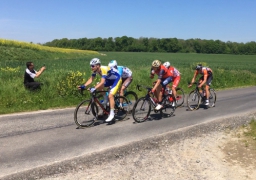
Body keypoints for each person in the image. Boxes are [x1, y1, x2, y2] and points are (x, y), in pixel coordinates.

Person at [78, 58, 122, 122]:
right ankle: (105, 98)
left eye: (93, 66)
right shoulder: (95, 71)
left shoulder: (103, 69)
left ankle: (112, 114)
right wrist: (83, 86)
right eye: (91, 66)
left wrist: (94, 88)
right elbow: (91, 79)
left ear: (98, 65)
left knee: (111, 95)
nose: (91, 67)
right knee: (98, 84)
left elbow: (102, 82)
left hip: (116, 79)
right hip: (109, 80)